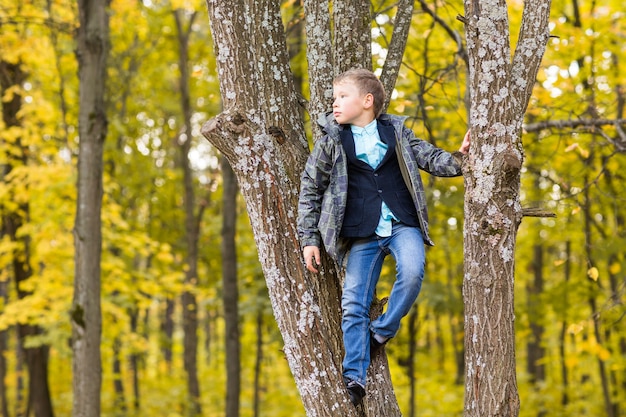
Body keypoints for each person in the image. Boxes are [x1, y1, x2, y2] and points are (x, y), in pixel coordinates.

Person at [297, 68, 470, 407]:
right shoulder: (332, 141)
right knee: (353, 305)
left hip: (402, 223)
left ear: (367, 100)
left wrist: (463, 158)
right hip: (360, 233)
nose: (335, 103)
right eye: (334, 98)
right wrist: (309, 238)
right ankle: (355, 376)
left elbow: (433, 159)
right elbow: (310, 188)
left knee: (412, 271)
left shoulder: (397, 133)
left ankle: (383, 331)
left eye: (342, 96)